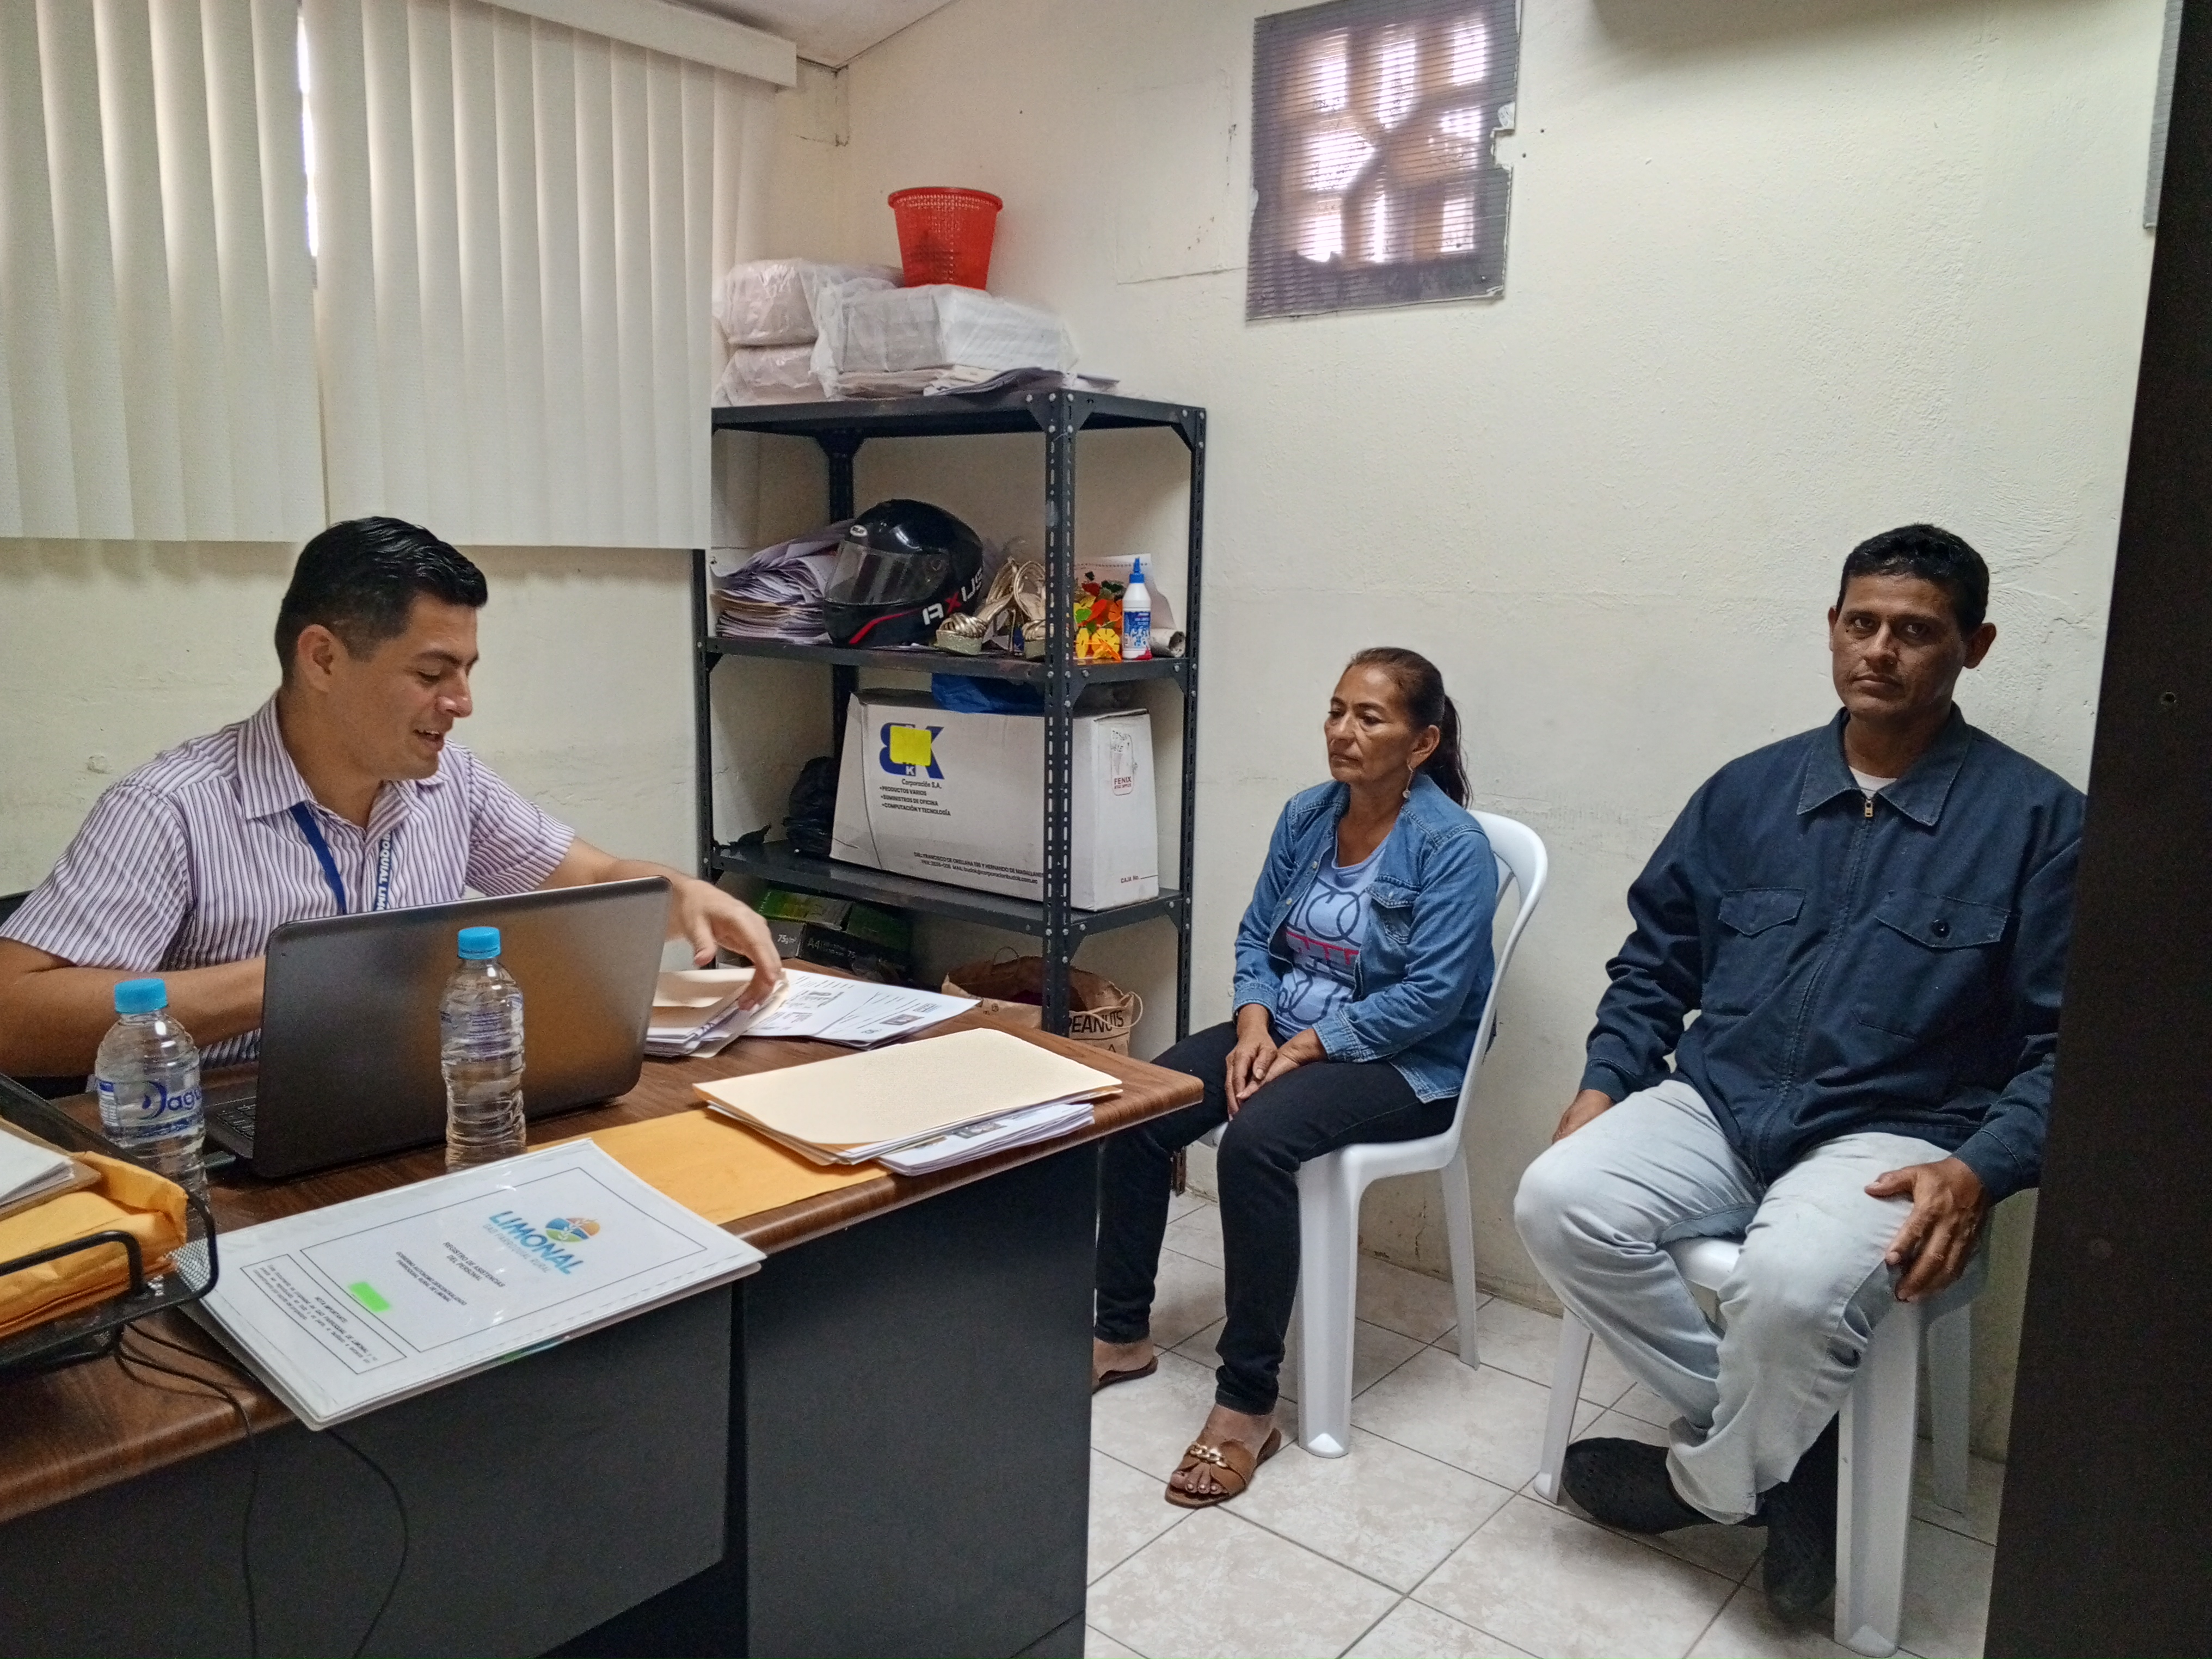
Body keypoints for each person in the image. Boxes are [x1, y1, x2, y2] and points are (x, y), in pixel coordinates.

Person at [1514, 525, 2083, 1621]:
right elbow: (1654, 964)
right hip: (1721, 1101)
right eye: (1861, 623)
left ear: (1974, 646)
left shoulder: (2040, 826)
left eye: (1916, 631)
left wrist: (1984, 1167)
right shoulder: (1747, 793)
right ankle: (1792, 1457)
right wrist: (1603, 1084)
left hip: (1900, 1130)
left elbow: (2067, 1049)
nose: (1881, 650)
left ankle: (1705, 1483)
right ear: (1831, 629)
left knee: (1790, 1289)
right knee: (1557, 1198)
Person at [0, 517, 782, 1077]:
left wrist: (678, 893)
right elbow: (15, 1016)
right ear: (323, 659)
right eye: (431, 674)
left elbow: (591, 878)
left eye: (467, 672)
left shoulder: (447, 781)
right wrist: (298, 981)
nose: (462, 703)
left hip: (414, 1096)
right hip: (217, 1137)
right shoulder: (171, 808)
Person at [1092, 648, 1499, 1507]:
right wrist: (1252, 1025)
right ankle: (1120, 1333)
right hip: (1285, 1029)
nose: (1343, 731)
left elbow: (1433, 997)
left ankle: (1248, 1405)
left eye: (1370, 718)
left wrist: (1309, 1046)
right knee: (1140, 1108)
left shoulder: (1451, 847)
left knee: (1258, 1144)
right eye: (1336, 711)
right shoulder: (1307, 816)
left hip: (1404, 1061)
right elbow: (1256, 940)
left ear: (1423, 742)